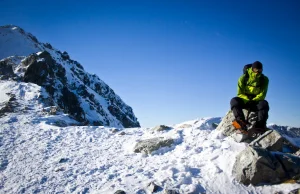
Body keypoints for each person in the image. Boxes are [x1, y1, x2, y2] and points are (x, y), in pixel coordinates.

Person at [230, 61, 269, 131]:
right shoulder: (243, 78)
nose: (257, 72)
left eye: (259, 70)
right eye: (255, 70)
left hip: (256, 102)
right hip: (245, 101)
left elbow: (262, 94)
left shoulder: (264, 80)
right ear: (252, 69)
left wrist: (253, 100)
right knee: (234, 101)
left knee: (264, 104)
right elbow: (240, 93)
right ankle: (240, 123)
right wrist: (247, 100)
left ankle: (260, 126)